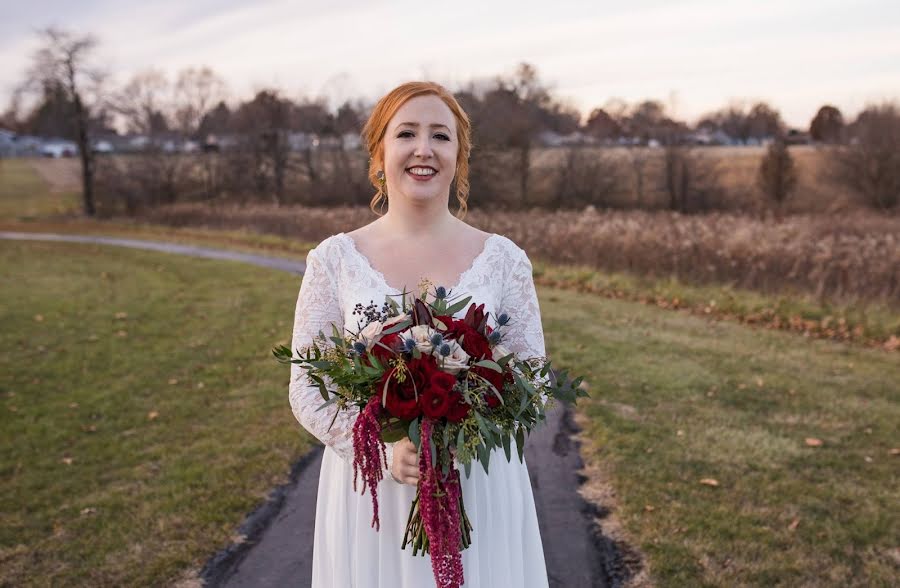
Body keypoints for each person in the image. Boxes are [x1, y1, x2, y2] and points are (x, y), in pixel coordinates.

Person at [288, 81, 550, 587]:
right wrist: (383, 450)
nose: (423, 149)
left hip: (476, 481)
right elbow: (305, 387)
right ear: (380, 150)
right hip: (373, 492)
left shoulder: (504, 261)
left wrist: (464, 431)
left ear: (459, 156)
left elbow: (533, 379)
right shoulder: (334, 260)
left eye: (441, 136)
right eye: (406, 132)